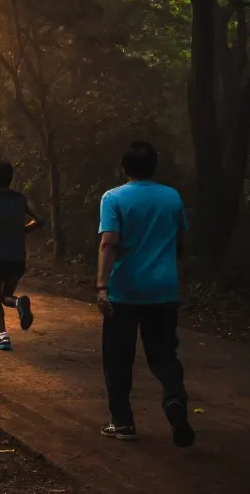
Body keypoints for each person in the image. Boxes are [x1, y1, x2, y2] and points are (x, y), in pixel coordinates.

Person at [95, 141, 194, 448]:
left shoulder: (113, 197)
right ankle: (174, 400)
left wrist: (101, 286)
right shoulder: (172, 196)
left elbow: (109, 242)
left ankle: (123, 422)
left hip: (124, 292)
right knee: (164, 354)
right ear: (154, 167)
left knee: (118, 357)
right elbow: (180, 243)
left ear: (124, 168)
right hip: (163, 291)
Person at [0, 162, 42, 351]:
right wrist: (23, 230)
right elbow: (40, 220)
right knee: (7, 295)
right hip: (18, 257)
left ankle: (3, 338)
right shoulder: (22, 199)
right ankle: (18, 302)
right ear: (11, 178)